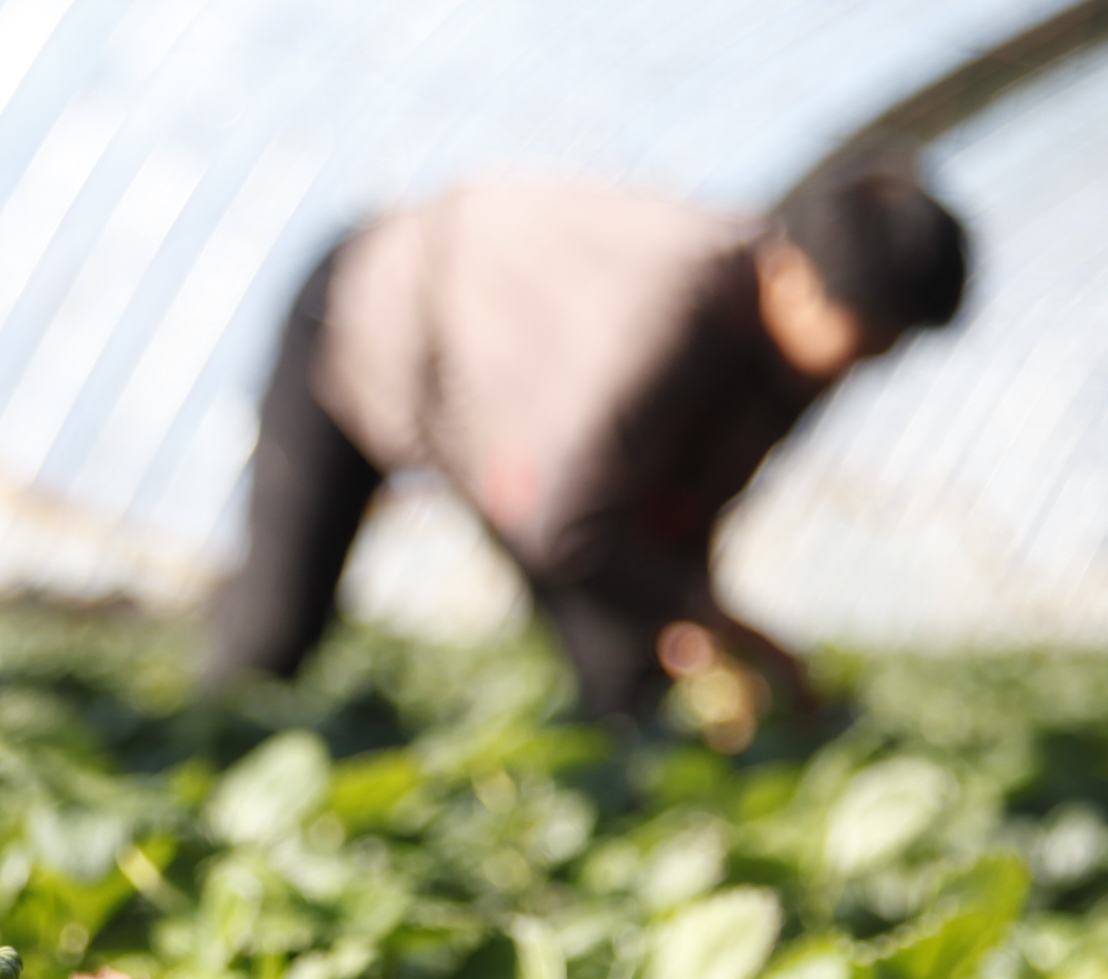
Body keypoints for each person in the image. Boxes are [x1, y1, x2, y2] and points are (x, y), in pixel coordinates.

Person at [203, 145, 970, 721]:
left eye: (894, 340)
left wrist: (684, 616)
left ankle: (639, 821)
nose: (875, 356)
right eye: (868, 329)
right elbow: (569, 527)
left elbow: (682, 502)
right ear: (796, 273)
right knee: (273, 634)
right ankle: (199, 764)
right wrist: (718, 623)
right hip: (365, 315)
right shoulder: (674, 305)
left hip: (496, 410)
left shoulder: (793, 358)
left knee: (625, 671)